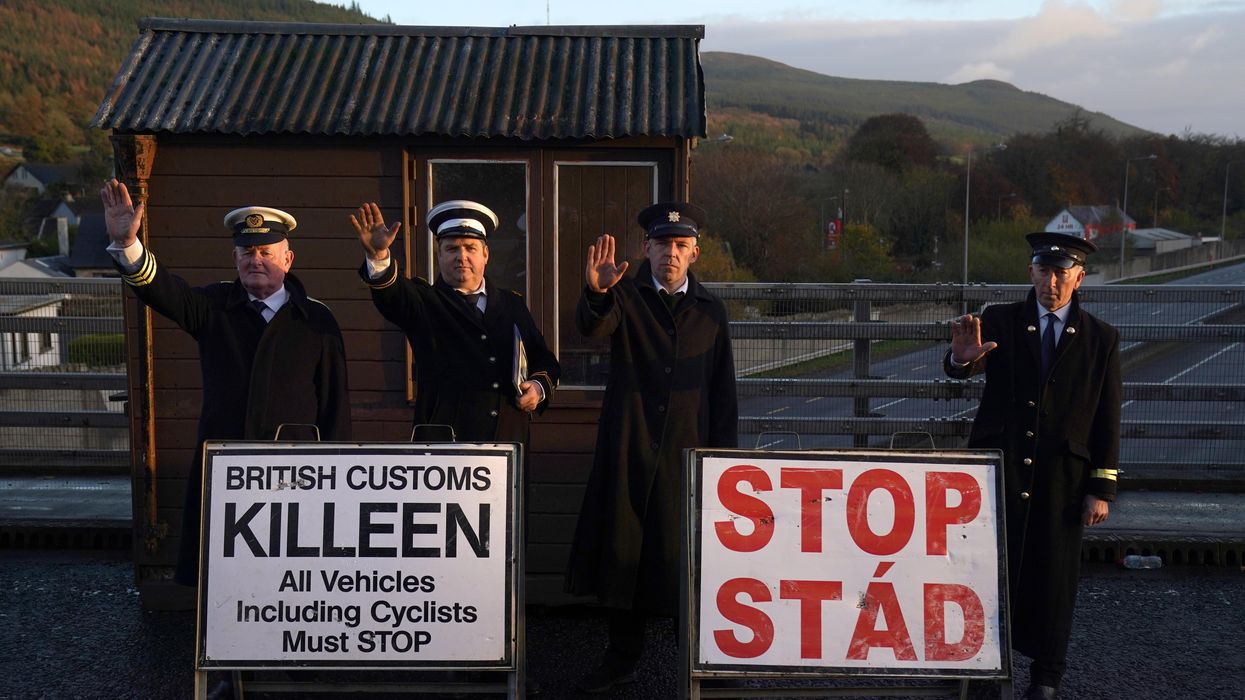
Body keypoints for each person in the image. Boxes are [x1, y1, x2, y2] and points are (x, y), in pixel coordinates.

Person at [101, 179, 352, 588]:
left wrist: (338, 475)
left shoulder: (317, 320)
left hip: (298, 470)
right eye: (247, 252)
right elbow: (164, 292)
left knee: (295, 566)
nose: (256, 260)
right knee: (225, 570)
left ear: (287, 259)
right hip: (228, 468)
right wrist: (129, 246)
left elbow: (334, 404)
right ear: (235, 259)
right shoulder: (213, 307)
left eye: (266, 253)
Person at [565, 202, 738, 693]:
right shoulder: (625, 296)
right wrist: (597, 293)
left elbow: (724, 393)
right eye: (662, 244)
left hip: (688, 453)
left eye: (681, 245)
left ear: (695, 253)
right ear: (646, 248)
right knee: (625, 550)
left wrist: (724, 464)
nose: (670, 253)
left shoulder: (711, 311)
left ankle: (702, 658)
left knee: (687, 556)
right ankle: (622, 656)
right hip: (628, 448)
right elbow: (592, 326)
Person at [945, 231, 1120, 700]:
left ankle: (1046, 675)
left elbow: (1107, 414)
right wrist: (961, 364)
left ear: (1079, 278)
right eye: (1044, 270)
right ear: (1031, 272)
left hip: (1063, 475)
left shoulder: (1101, 339)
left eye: (1062, 272)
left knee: (1055, 576)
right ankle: (981, 666)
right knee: (987, 570)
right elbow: (963, 363)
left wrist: (1101, 486)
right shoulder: (1000, 320)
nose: (1052, 282)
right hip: (1000, 466)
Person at [352, 200, 559, 443]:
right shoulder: (424, 301)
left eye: (470, 248)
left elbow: (543, 359)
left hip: (507, 440)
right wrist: (378, 257)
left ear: (485, 254)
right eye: (452, 249)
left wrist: (537, 387)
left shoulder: (511, 304)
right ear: (439, 255)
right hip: (445, 448)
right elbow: (392, 297)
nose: (462, 257)